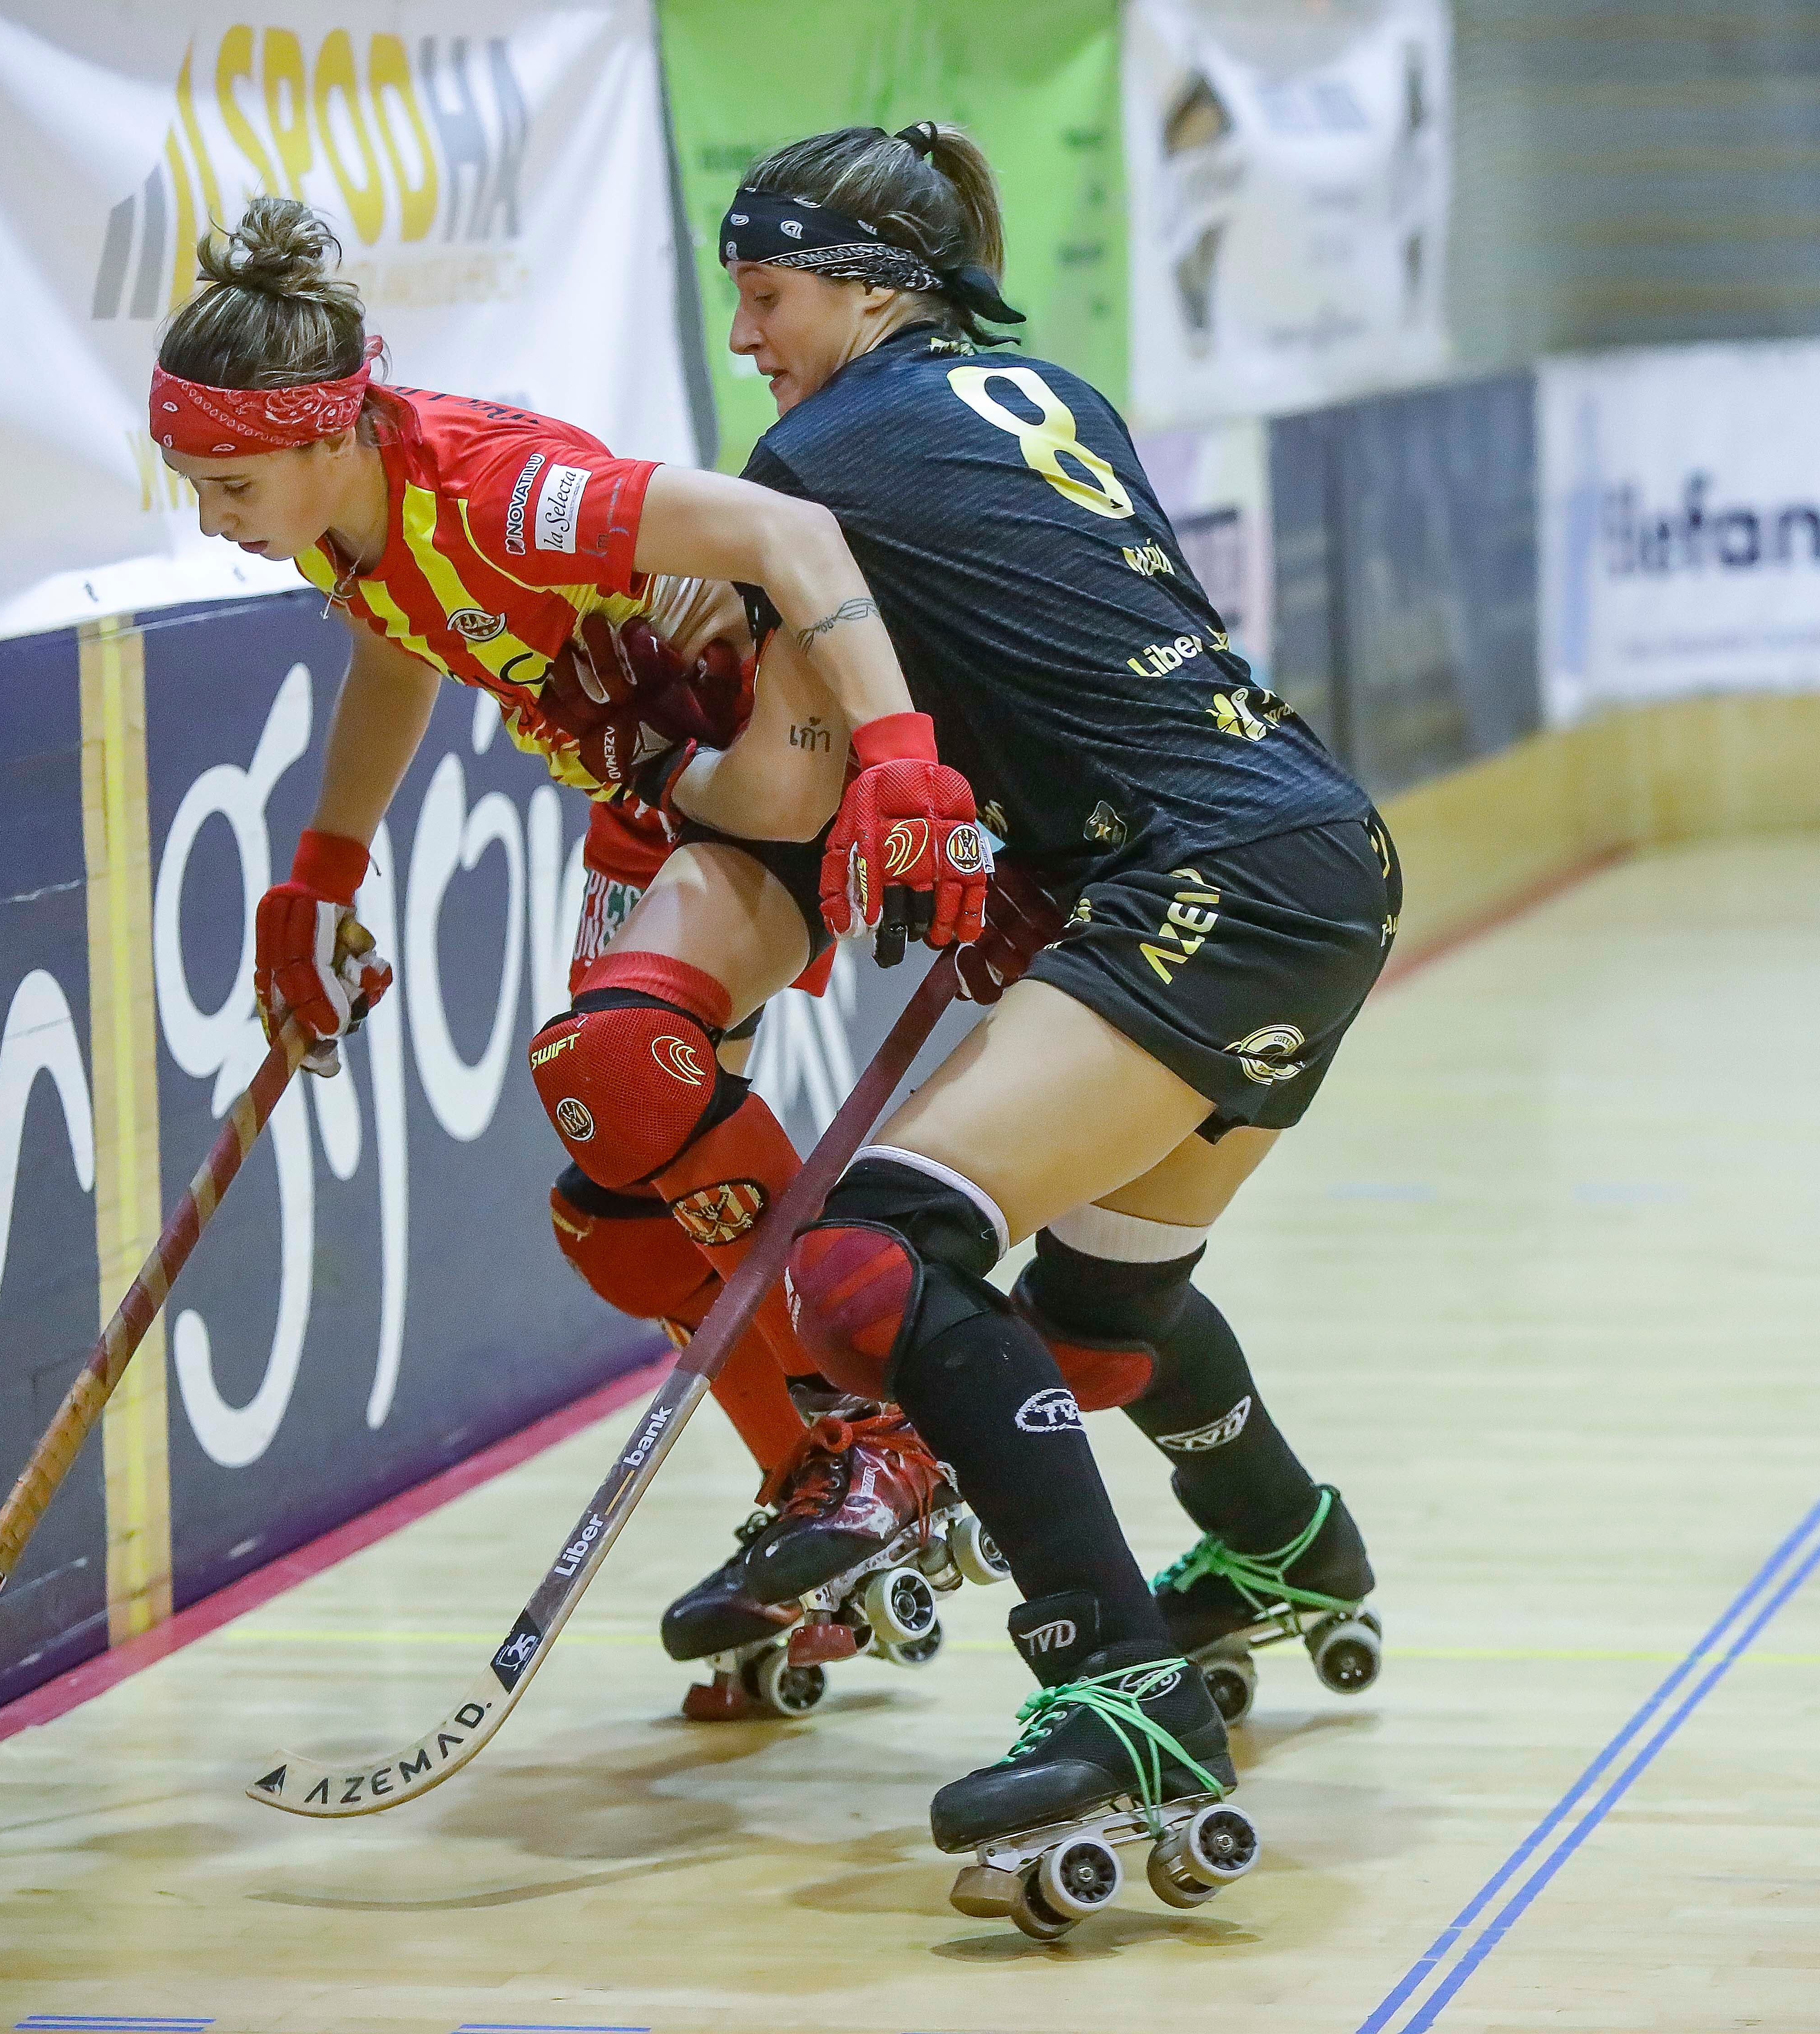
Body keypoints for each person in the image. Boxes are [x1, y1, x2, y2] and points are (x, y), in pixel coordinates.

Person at [669, 122, 1398, 1898]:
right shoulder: (1050, 389)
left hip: (1201, 881)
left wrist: (646, 750)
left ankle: (1122, 1684)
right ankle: (1285, 1547)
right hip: (1318, 850)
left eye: (766, 295)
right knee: (1093, 1311)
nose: (749, 335)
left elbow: (783, 788)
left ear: (860, 285)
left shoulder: (820, 456)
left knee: (872, 1265)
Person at [148, 197, 995, 1707]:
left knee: (619, 1056)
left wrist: (904, 753)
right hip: (662, 778)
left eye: (230, 481)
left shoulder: (497, 491)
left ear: (331, 431)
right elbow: (402, 643)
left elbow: (792, 532)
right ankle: (828, 1498)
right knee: (616, 1194)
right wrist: (323, 872)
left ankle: (882, 1444)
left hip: (773, 755)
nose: (212, 516)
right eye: (191, 484)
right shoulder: (351, 516)